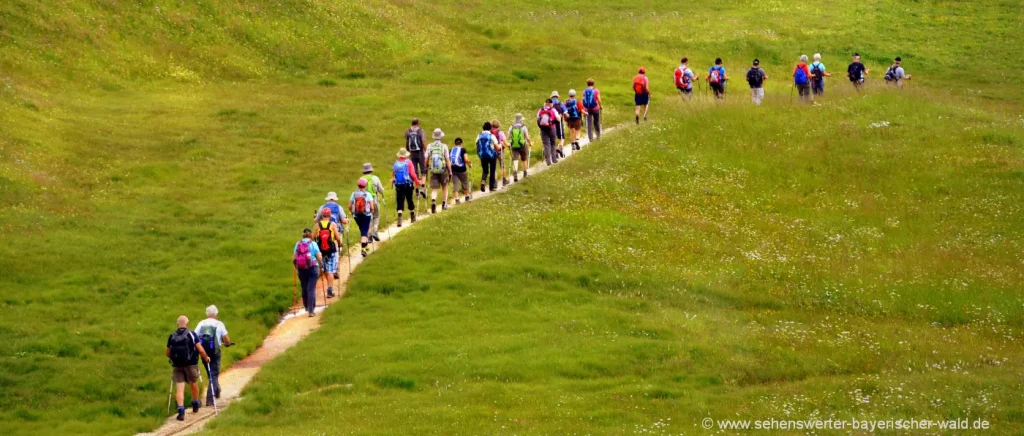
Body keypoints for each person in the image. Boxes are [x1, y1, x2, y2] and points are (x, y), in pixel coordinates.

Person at [166, 315, 211, 421]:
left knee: (179, 388)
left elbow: (167, 352)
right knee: (193, 383)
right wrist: (206, 358)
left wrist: (174, 358)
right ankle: (195, 403)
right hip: (191, 364)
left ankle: (181, 410)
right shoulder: (191, 334)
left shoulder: (172, 336)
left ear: (177, 324)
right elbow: (200, 350)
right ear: (187, 323)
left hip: (177, 365)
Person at [194, 306, 231, 407]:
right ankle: (210, 400)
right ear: (216, 314)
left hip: (203, 352)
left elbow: (194, 336)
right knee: (214, 374)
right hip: (215, 352)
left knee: (211, 373)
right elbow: (227, 340)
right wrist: (227, 344)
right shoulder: (219, 324)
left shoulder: (201, 323)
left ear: (207, 314)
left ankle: (217, 389)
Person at [293, 228, 323, 317]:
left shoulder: (298, 244)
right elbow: (319, 257)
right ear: (311, 236)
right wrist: (321, 264)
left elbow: (294, 258)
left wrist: (296, 267)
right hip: (313, 267)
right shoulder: (313, 244)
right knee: (311, 288)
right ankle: (311, 310)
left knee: (304, 287)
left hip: (301, 269)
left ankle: (306, 306)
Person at [314, 208, 341, 298]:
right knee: (330, 271)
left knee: (325, 269)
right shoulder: (332, 224)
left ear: (322, 215)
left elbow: (313, 238)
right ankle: (330, 289)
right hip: (331, 250)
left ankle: (329, 286)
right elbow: (337, 237)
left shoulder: (317, 225)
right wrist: (340, 244)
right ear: (330, 215)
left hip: (320, 251)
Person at [391, 148, 422, 226]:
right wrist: (417, 181)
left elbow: (393, 174)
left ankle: (399, 219)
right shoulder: (409, 162)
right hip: (408, 184)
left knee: (400, 200)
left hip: (398, 185)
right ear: (405, 155)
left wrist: (393, 181)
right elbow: (412, 174)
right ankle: (412, 217)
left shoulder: (396, 163)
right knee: (409, 199)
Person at [426, 128, 452, 213]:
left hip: (433, 170)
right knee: (445, 187)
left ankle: (433, 201)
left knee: (434, 188)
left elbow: (426, 158)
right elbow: (447, 160)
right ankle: (444, 204)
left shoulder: (430, 146)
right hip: (443, 170)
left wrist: (427, 166)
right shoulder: (444, 146)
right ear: (441, 136)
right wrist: (450, 171)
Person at [349, 179, 377, 257]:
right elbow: (371, 206)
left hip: (356, 215)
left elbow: (349, 205)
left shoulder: (353, 194)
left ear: (358, 185)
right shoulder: (368, 194)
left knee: (363, 229)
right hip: (366, 215)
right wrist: (372, 211)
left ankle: (366, 245)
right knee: (364, 231)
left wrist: (351, 211)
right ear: (365, 185)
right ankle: (363, 249)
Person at [358, 164, 386, 242]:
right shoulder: (375, 178)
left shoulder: (361, 179)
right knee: (376, 216)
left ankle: (369, 235)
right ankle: (375, 232)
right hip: (375, 201)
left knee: (368, 218)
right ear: (371, 170)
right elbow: (381, 190)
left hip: (364, 203)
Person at [404, 119, 428, 198]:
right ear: (418, 124)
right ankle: (422, 187)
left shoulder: (408, 131)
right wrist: (427, 151)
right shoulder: (421, 131)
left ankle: (417, 190)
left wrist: (408, 150)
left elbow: (407, 142)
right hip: (420, 152)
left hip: (412, 153)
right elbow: (423, 142)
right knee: (423, 170)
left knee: (415, 172)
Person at [508, 113, 533, 181]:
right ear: (521, 120)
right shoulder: (523, 127)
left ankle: (515, 175)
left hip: (513, 145)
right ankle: (525, 174)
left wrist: (509, 143)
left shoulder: (511, 127)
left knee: (515, 160)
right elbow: (527, 137)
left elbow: (508, 137)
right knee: (523, 159)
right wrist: (530, 142)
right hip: (522, 145)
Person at [476, 122, 499, 192]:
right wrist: (500, 146)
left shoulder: (479, 136)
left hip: (482, 155)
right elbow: (497, 147)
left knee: (485, 170)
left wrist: (479, 154)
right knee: (492, 171)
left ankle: (483, 181)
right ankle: (491, 187)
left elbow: (477, 147)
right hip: (492, 155)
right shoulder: (491, 136)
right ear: (490, 128)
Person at [449, 137, 472, 204]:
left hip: (453, 169)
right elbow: (466, 159)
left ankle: (457, 199)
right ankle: (467, 196)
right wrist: (469, 164)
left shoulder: (451, 150)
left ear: (455, 143)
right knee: (464, 182)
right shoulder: (463, 150)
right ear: (461, 143)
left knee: (455, 183)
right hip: (462, 169)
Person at [537, 99, 560, 165]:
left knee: (546, 144)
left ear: (545, 103)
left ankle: (548, 161)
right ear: (551, 104)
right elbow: (558, 119)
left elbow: (538, 119)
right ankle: (554, 159)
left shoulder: (541, 110)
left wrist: (541, 127)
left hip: (543, 129)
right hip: (552, 128)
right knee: (553, 143)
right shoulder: (553, 110)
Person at [490, 119, 510, 186]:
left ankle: (495, 182)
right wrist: (509, 145)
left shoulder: (489, 133)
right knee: (502, 166)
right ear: (498, 125)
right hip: (500, 151)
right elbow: (506, 143)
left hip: (491, 152)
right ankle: (504, 180)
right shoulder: (500, 132)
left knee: (493, 167)